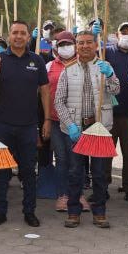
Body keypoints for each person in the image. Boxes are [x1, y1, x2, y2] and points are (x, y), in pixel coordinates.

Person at [0, 20, 51, 227]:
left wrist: (46, 119)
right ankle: (0, 211)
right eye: (15, 33)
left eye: (22, 33)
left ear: (28, 36)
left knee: (28, 171)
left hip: (28, 126)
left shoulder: (36, 60)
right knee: (1, 172)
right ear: (9, 36)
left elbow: (45, 91)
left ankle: (29, 211)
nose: (18, 36)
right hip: (2, 124)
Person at [53, 29, 120, 227]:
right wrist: (70, 125)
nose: (84, 46)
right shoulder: (68, 70)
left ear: (95, 44)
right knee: (75, 172)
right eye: (80, 43)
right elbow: (59, 102)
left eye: (88, 42)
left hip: (99, 127)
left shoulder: (104, 66)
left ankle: (99, 212)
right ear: (76, 46)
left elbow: (116, 90)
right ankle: (73, 211)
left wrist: (109, 76)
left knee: (99, 172)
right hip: (76, 129)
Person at [46, 30, 80, 213]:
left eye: (69, 44)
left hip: (77, 121)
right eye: (61, 44)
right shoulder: (49, 66)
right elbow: (42, 93)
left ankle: (77, 194)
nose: (65, 48)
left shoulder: (82, 65)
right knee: (61, 159)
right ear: (55, 47)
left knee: (76, 160)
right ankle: (62, 195)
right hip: (55, 120)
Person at [105, 22, 128, 203]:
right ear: (116, 35)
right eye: (123, 32)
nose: (126, 35)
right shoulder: (108, 52)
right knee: (105, 152)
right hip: (108, 112)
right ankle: (102, 186)